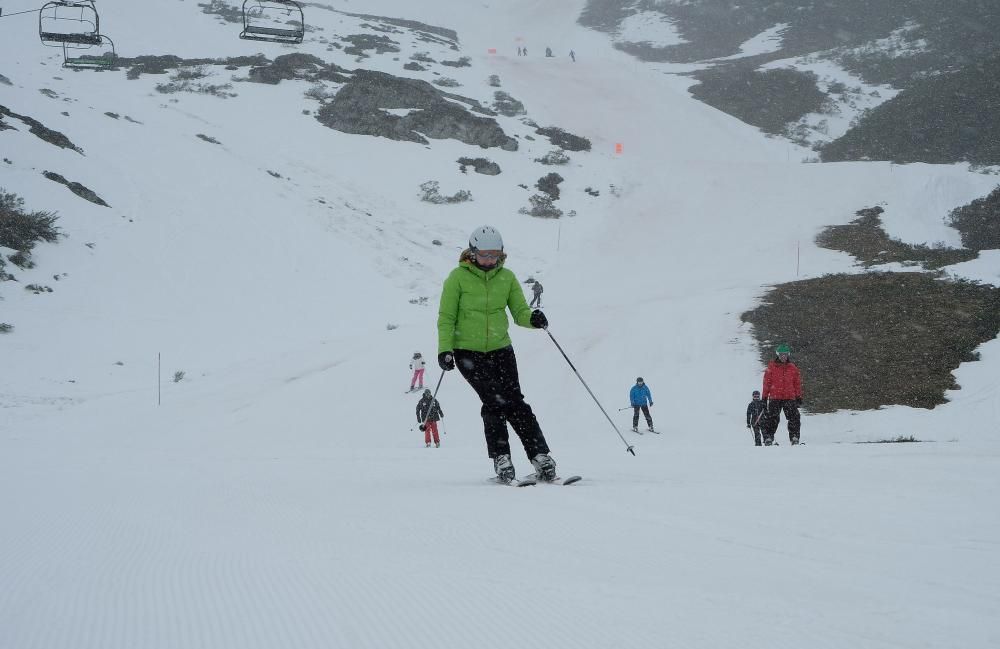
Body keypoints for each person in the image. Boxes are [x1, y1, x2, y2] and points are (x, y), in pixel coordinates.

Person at [437, 225, 556, 483]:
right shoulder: (457, 278)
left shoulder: (508, 277)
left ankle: (540, 456)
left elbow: (520, 312)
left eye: (495, 255)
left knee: (516, 401)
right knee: (494, 401)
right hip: (467, 351)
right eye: (484, 255)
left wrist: (533, 319)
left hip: (501, 350)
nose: (490, 260)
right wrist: (445, 349)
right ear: (472, 252)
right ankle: (502, 458)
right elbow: (446, 318)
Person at [761, 343, 803, 445]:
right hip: (775, 397)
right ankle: (768, 437)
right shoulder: (771, 368)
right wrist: (764, 397)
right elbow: (766, 383)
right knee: (772, 418)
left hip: (789, 397)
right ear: (778, 355)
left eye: (785, 354)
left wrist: (798, 396)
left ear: (788, 355)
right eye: (781, 354)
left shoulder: (793, 368)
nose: (783, 356)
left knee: (794, 418)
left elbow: (797, 383)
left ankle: (794, 437)